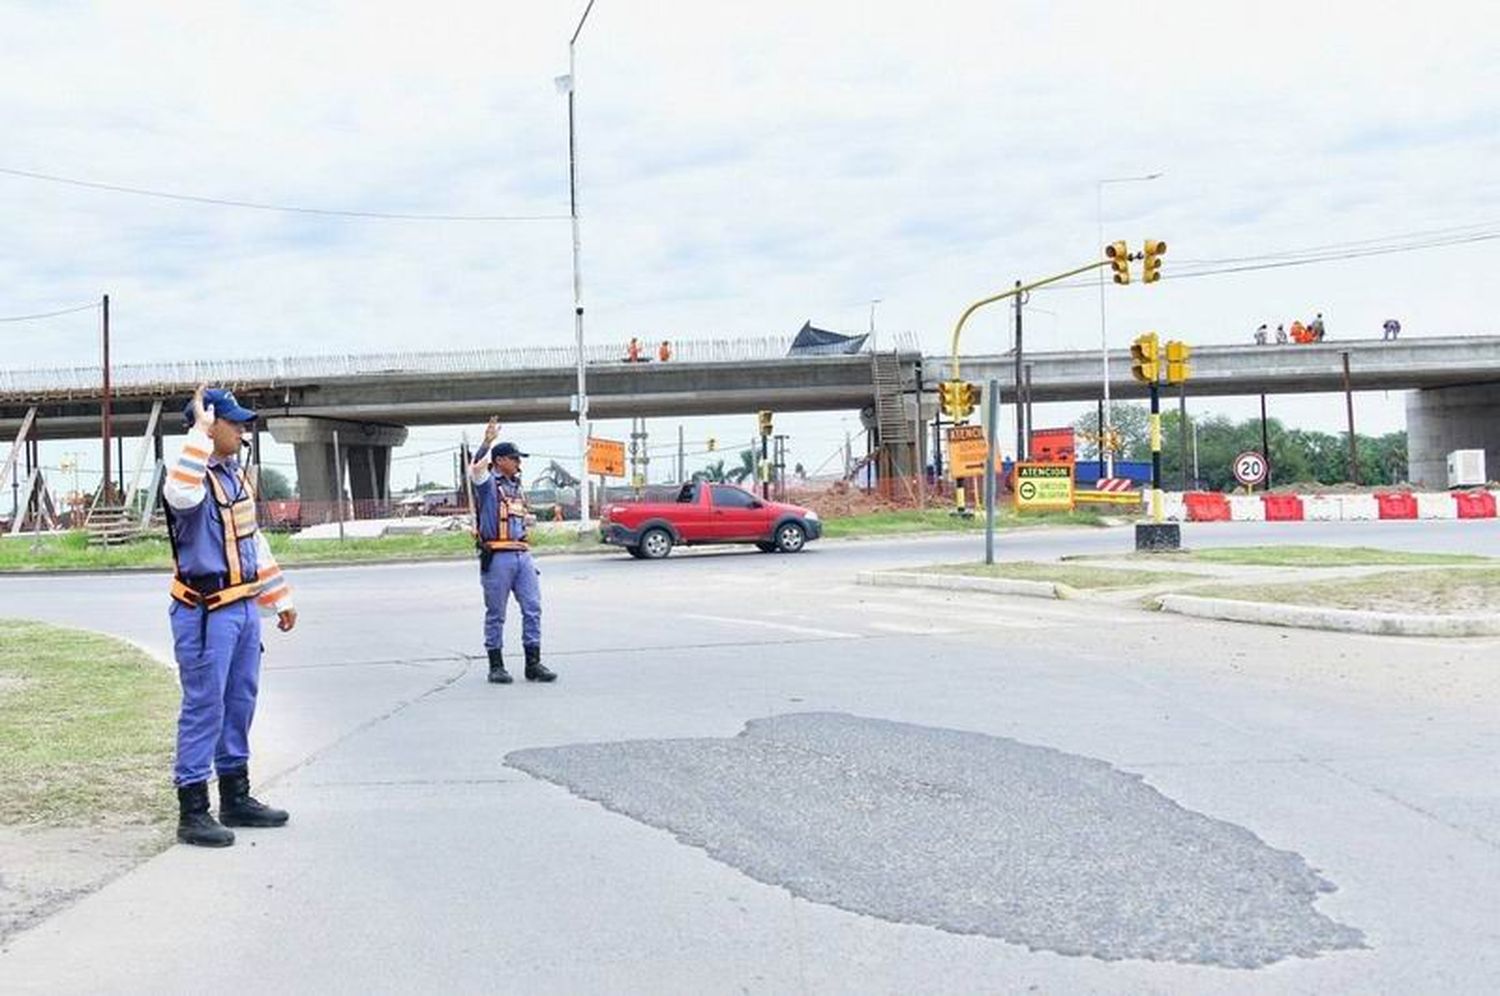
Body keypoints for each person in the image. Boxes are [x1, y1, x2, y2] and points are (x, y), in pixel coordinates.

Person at [161, 385, 296, 848]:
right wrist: (198, 432)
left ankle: (235, 795)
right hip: (205, 612)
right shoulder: (188, 475)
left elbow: (251, 542)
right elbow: (179, 495)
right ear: (208, 425)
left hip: (242, 609)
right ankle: (193, 809)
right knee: (204, 707)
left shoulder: (234, 476)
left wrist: (278, 597)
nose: (242, 429)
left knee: (240, 702)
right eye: (233, 422)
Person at [470, 417, 556, 685]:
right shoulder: (487, 485)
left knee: (533, 607)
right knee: (496, 613)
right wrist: (487, 443)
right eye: (514, 458)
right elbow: (475, 469)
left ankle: (533, 662)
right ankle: (496, 665)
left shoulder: (517, 487)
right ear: (499, 461)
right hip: (498, 556)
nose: (519, 463)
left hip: (522, 555)